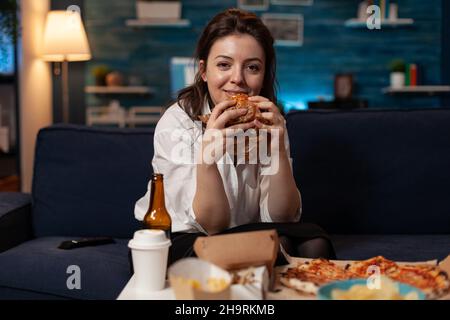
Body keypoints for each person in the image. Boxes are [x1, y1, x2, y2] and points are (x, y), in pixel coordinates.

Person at [134, 8, 336, 266]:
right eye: (224, 65)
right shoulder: (178, 123)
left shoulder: (268, 122)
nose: (238, 79)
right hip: (182, 238)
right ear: (204, 71)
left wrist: (279, 151)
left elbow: (283, 216)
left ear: (263, 76)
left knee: (313, 241)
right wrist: (208, 157)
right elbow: (213, 224)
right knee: (272, 249)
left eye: (252, 67)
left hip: (245, 234)